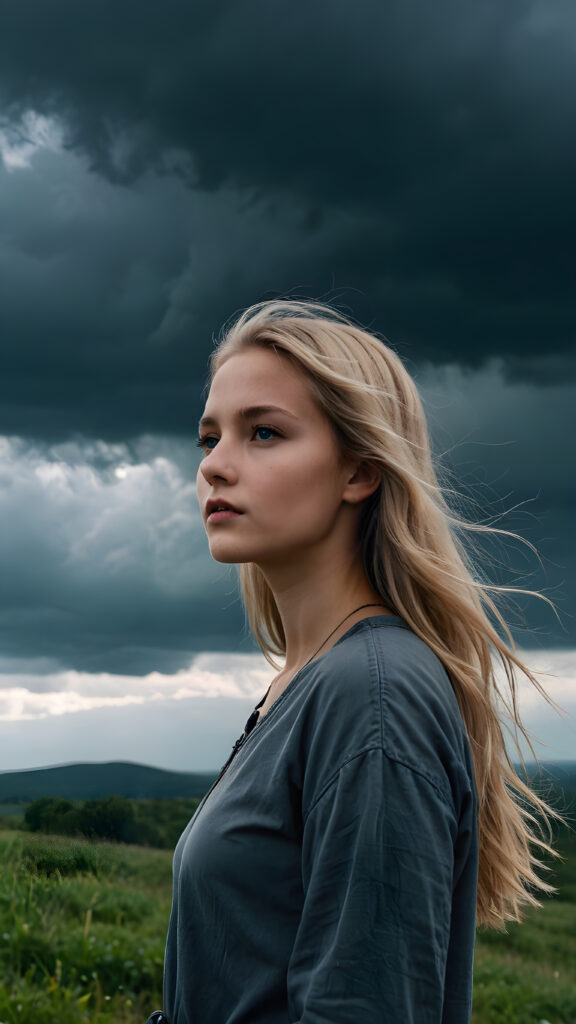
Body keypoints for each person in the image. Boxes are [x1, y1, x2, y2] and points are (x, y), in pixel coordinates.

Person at [146, 299, 560, 1024]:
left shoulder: (372, 692)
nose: (215, 465)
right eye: (209, 437)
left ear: (359, 471)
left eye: (264, 432)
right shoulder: (305, 682)